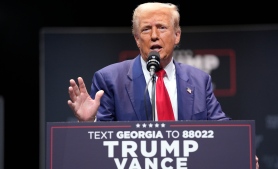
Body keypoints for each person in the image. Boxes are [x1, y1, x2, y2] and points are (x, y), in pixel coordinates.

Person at [67, 2, 259, 168]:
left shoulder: (199, 80)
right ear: (136, 39)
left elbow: (221, 127)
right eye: (145, 29)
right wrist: (88, 123)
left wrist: (241, 152)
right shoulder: (110, 79)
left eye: (162, 27)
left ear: (177, 36)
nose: (154, 36)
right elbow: (101, 148)